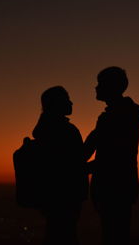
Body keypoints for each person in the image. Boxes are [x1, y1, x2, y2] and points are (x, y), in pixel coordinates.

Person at [84, 67, 139, 245]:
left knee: (114, 235)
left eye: (100, 84)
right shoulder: (116, 116)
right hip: (119, 186)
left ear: (111, 87)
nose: (96, 88)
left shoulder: (117, 117)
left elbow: (115, 159)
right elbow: (91, 148)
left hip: (114, 187)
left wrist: (81, 168)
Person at [32, 86, 88, 245]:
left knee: (55, 233)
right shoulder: (65, 130)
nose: (71, 102)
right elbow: (73, 166)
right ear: (57, 104)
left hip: (52, 196)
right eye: (67, 99)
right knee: (65, 235)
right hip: (65, 196)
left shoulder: (46, 129)